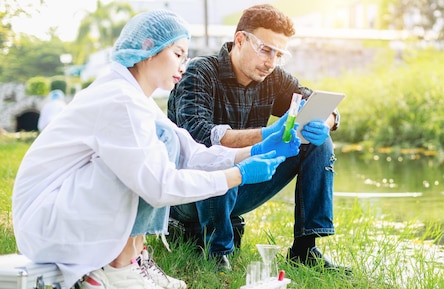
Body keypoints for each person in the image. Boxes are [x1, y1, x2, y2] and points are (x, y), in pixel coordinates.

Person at [12, 9, 300, 289]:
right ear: (149, 48)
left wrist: (257, 148)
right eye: (177, 54)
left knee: (167, 141)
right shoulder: (119, 101)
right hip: (48, 224)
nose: (183, 66)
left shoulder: (135, 98)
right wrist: (238, 175)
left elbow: (192, 153)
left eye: (186, 57)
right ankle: (118, 268)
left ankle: (133, 258)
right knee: (148, 155)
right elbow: (159, 185)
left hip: (61, 209)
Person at [167, 4, 349, 273]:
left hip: (242, 182)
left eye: (279, 54)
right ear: (240, 40)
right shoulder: (199, 73)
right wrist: (266, 136)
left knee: (318, 142)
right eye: (265, 50)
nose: (271, 62)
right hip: (189, 193)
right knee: (219, 159)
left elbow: (319, 104)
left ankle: (305, 249)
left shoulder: (273, 78)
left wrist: (327, 120)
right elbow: (199, 137)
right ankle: (217, 254)